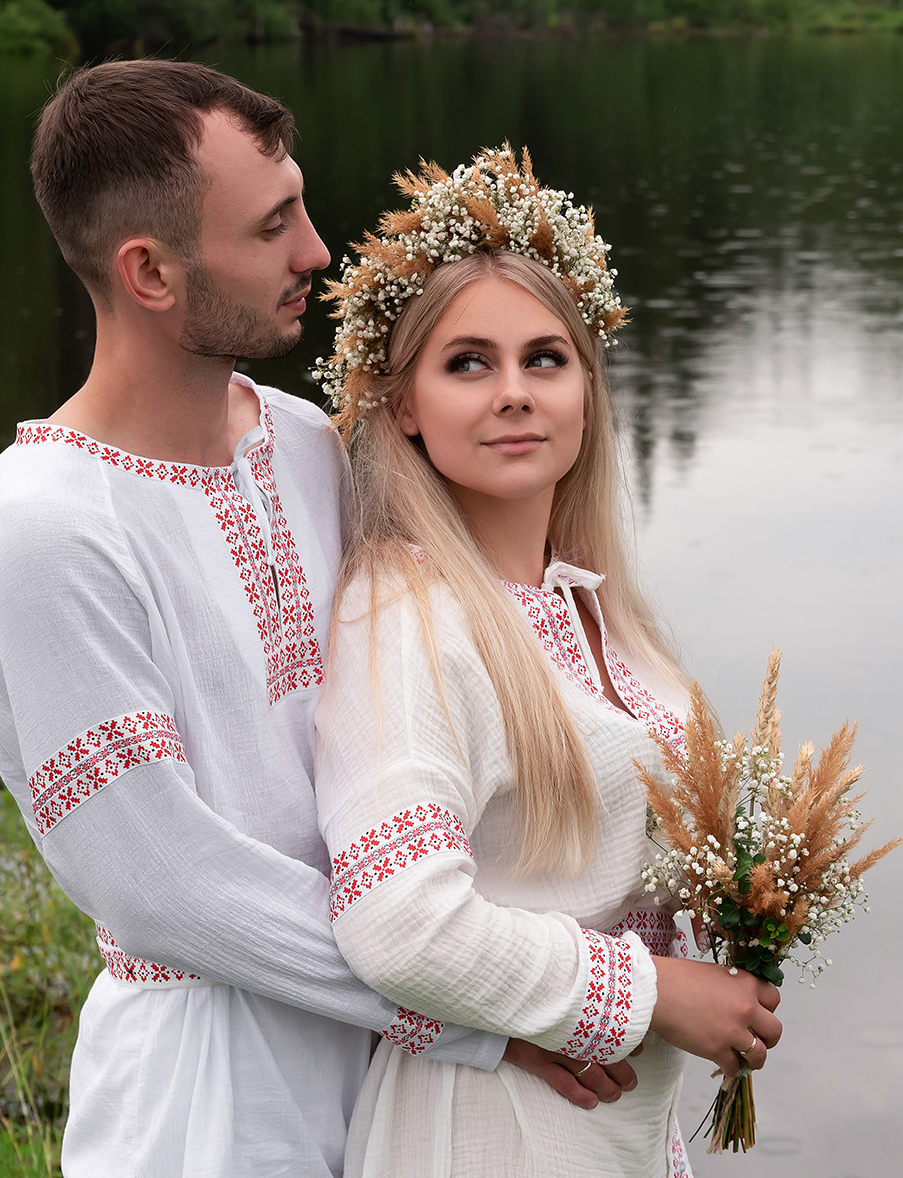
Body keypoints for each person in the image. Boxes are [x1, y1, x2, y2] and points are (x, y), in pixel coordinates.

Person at [0, 63, 632, 1178]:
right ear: (149, 271)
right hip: (212, 1098)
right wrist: (495, 1006)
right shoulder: (48, 527)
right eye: (274, 226)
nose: (316, 251)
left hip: (395, 1068)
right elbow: (165, 886)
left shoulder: (305, 440)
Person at [311, 147, 784, 1178]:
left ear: (586, 388)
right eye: (467, 363)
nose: (514, 393)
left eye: (545, 359)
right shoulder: (405, 612)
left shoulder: (605, 615)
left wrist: (746, 907)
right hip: (490, 1128)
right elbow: (397, 922)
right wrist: (650, 993)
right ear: (402, 407)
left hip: (618, 1123)